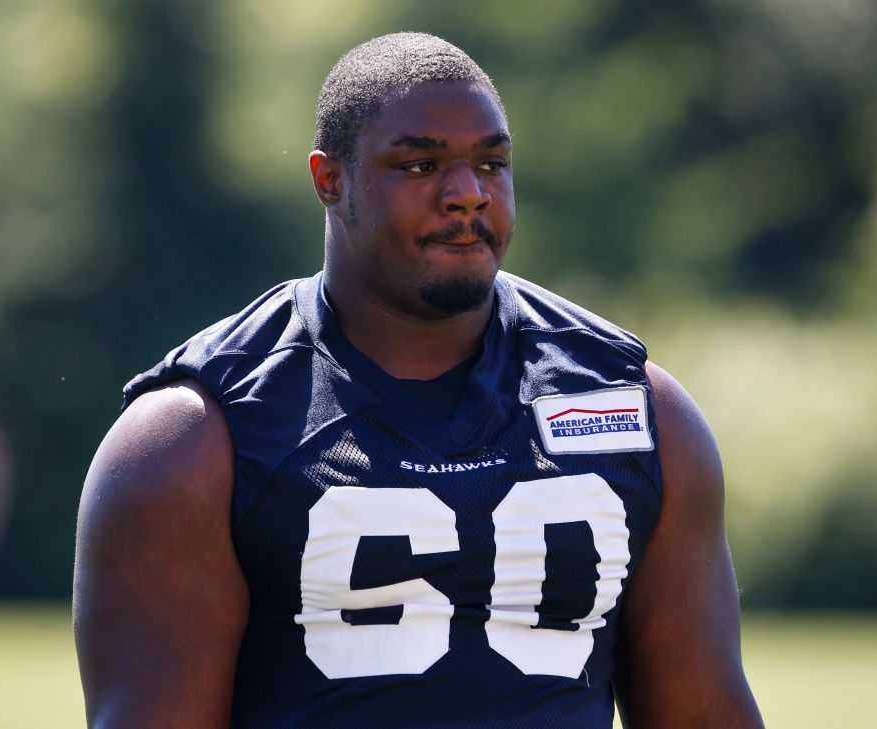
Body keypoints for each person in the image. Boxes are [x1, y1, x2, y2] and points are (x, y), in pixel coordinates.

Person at [73, 32, 763, 729]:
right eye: (420, 163)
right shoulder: (194, 438)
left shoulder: (639, 410)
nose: (467, 194)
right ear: (329, 180)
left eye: (493, 162)